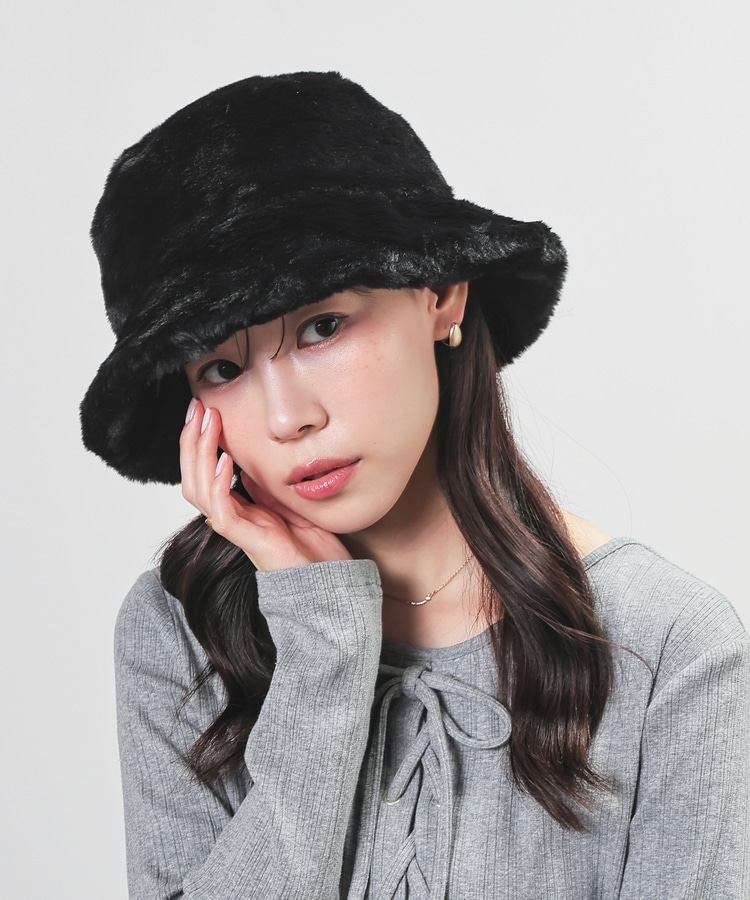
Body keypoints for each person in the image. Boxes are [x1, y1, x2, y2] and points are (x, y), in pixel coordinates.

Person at [80, 72, 749, 899]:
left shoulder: (667, 647)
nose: (288, 418)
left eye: (322, 326)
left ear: (441, 293)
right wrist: (323, 641)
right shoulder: (181, 631)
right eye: (222, 368)